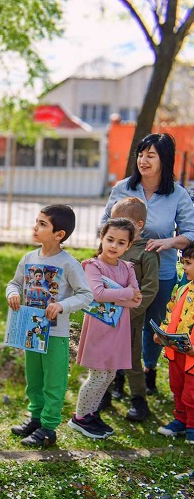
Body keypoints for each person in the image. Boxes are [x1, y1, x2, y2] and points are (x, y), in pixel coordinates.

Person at [102, 133, 194, 396]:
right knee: (123, 325)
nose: (143, 160)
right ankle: (119, 375)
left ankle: (148, 371)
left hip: (161, 272)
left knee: (153, 326)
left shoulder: (177, 194)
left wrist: (168, 242)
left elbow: (191, 233)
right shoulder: (123, 188)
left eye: (150, 155)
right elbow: (104, 224)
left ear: (164, 159)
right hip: (121, 272)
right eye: (141, 154)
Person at [6, 204, 93, 447]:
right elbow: (14, 283)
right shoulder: (28, 258)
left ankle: (48, 427)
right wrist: (12, 293)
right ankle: (35, 419)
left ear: (59, 235)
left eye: (43, 224)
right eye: (37, 221)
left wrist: (63, 305)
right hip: (30, 331)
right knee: (33, 379)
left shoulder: (69, 264)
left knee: (53, 381)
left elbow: (86, 294)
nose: (36, 227)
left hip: (55, 334)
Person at [68, 218, 142, 439]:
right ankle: (79, 418)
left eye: (121, 242)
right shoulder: (93, 266)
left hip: (118, 328)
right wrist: (126, 294)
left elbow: (137, 300)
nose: (113, 246)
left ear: (128, 246)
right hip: (100, 328)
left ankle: (91, 413)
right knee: (98, 375)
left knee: (109, 374)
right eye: (110, 239)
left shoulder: (127, 268)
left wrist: (121, 297)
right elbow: (98, 294)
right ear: (102, 238)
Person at [99, 197, 159, 422]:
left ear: (139, 225)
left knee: (132, 357)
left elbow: (151, 287)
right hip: (106, 315)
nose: (114, 224)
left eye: (120, 220)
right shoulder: (112, 246)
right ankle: (103, 393)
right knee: (104, 355)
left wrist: (132, 311)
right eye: (113, 219)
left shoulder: (147, 252)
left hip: (131, 317)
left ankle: (138, 400)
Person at [155, 242, 194, 444]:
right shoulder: (182, 289)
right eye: (183, 262)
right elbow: (171, 310)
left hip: (193, 357)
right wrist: (162, 332)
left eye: (188, 263)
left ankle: (192, 426)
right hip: (176, 350)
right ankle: (180, 420)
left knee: (191, 392)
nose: (184, 267)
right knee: (177, 385)